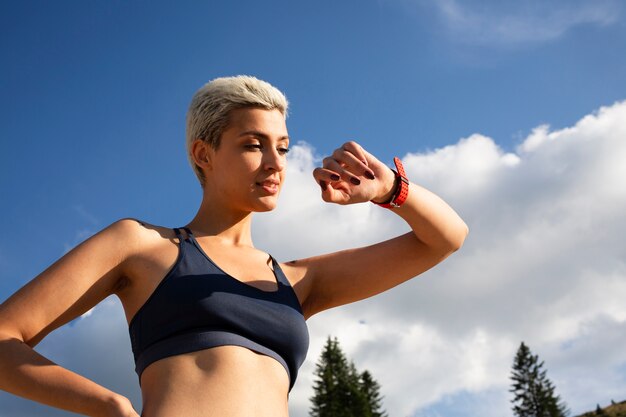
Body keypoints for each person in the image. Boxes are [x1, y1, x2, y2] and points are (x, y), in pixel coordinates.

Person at [0, 75, 468, 417]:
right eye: (252, 145)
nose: (274, 164)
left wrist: (390, 191)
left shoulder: (299, 280)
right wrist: (107, 405)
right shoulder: (141, 246)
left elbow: (444, 240)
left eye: (282, 148)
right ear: (204, 154)